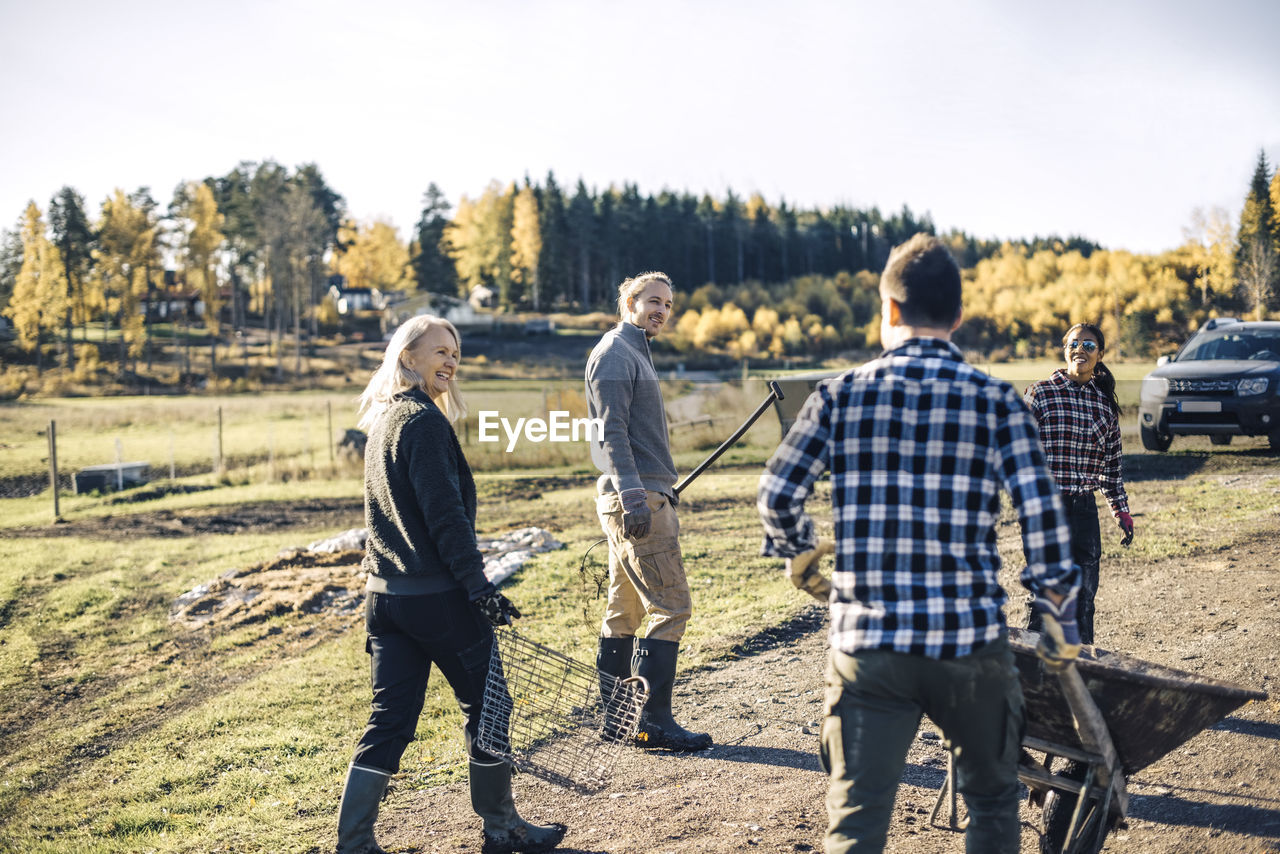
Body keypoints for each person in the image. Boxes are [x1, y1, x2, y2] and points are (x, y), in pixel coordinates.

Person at [757, 234, 1081, 853]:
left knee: (856, 822)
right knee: (992, 806)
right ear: (957, 319)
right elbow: (1044, 522)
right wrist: (1060, 625)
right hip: (970, 645)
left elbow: (776, 495)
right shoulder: (997, 402)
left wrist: (804, 558)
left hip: (869, 645)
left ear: (889, 310)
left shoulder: (838, 395)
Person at [336, 315, 567, 854]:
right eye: (438, 350)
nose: (450, 361)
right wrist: (479, 587)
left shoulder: (383, 422)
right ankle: (502, 827)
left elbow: (383, 518)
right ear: (407, 357)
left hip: (386, 600)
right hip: (435, 598)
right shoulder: (423, 423)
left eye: (455, 353)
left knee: (389, 721)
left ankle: (354, 843)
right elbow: (446, 520)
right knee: (489, 706)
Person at [585, 271, 712, 752]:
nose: (662, 310)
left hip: (641, 495)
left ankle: (619, 720)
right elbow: (612, 432)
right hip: (637, 502)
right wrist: (636, 497)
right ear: (630, 302)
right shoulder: (616, 353)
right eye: (654, 301)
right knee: (672, 605)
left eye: (668, 305)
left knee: (625, 610)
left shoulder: (634, 351)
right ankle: (652, 722)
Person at [1023, 322, 1134, 645]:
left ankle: (1085, 672)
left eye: (1088, 345)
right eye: (1074, 344)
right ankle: (1033, 677)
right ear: (1065, 350)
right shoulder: (1040, 394)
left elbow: (1111, 471)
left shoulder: (1104, 408)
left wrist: (1120, 512)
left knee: (1084, 597)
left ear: (1100, 355)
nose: (1080, 350)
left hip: (1084, 510)